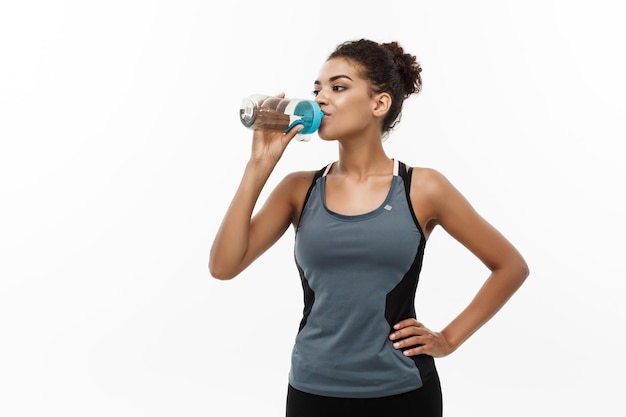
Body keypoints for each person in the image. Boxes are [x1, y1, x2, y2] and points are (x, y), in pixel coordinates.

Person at [209, 39, 529, 417]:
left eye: (338, 87)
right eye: (317, 89)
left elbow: (510, 266)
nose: (321, 98)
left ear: (379, 104)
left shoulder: (422, 187)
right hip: (312, 391)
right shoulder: (298, 188)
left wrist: (448, 339)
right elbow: (223, 267)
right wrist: (259, 167)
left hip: (404, 393)